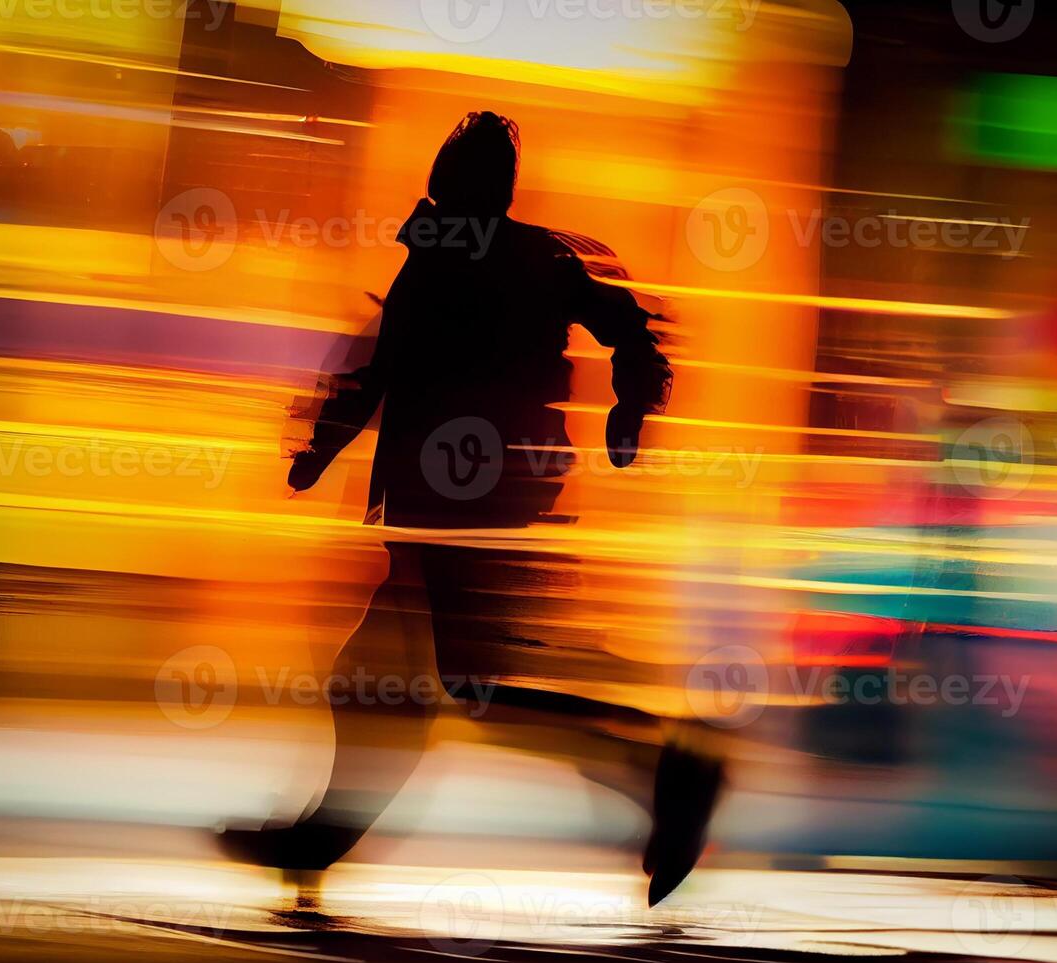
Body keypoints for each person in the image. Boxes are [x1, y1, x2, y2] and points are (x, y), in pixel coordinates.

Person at [222, 111, 721, 907]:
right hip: (464, 500)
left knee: (459, 684)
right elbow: (631, 329)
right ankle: (322, 836)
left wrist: (321, 449)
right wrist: (628, 410)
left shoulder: (474, 258)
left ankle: (666, 769)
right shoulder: (510, 257)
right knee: (379, 677)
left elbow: (380, 371)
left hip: (463, 506)